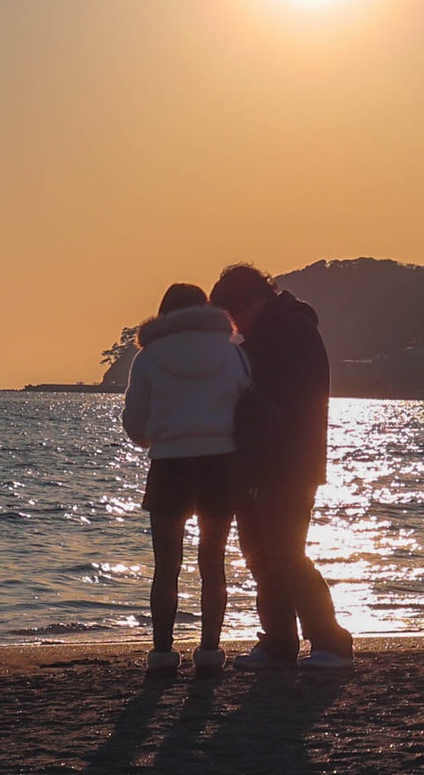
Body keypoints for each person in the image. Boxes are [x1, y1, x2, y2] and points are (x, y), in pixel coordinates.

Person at [209, 263, 354, 670]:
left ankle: (329, 641)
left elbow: (275, 408)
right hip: (281, 463)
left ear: (251, 303)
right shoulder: (285, 328)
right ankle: (280, 642)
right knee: (264, 554)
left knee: (284, 554)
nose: (235, 326)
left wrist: (259, 462)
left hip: (281, 465)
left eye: (235, 315)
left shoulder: (283, 333)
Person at [120, 282, 252, 677]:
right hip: (220, 465)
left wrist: (156, 439)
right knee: (213, 563)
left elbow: (135, 423)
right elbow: (247, 408)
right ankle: (210, 649)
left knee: (167, 565)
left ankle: (162, 652)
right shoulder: (233, 355)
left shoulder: (147, 359)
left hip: (169, 466)